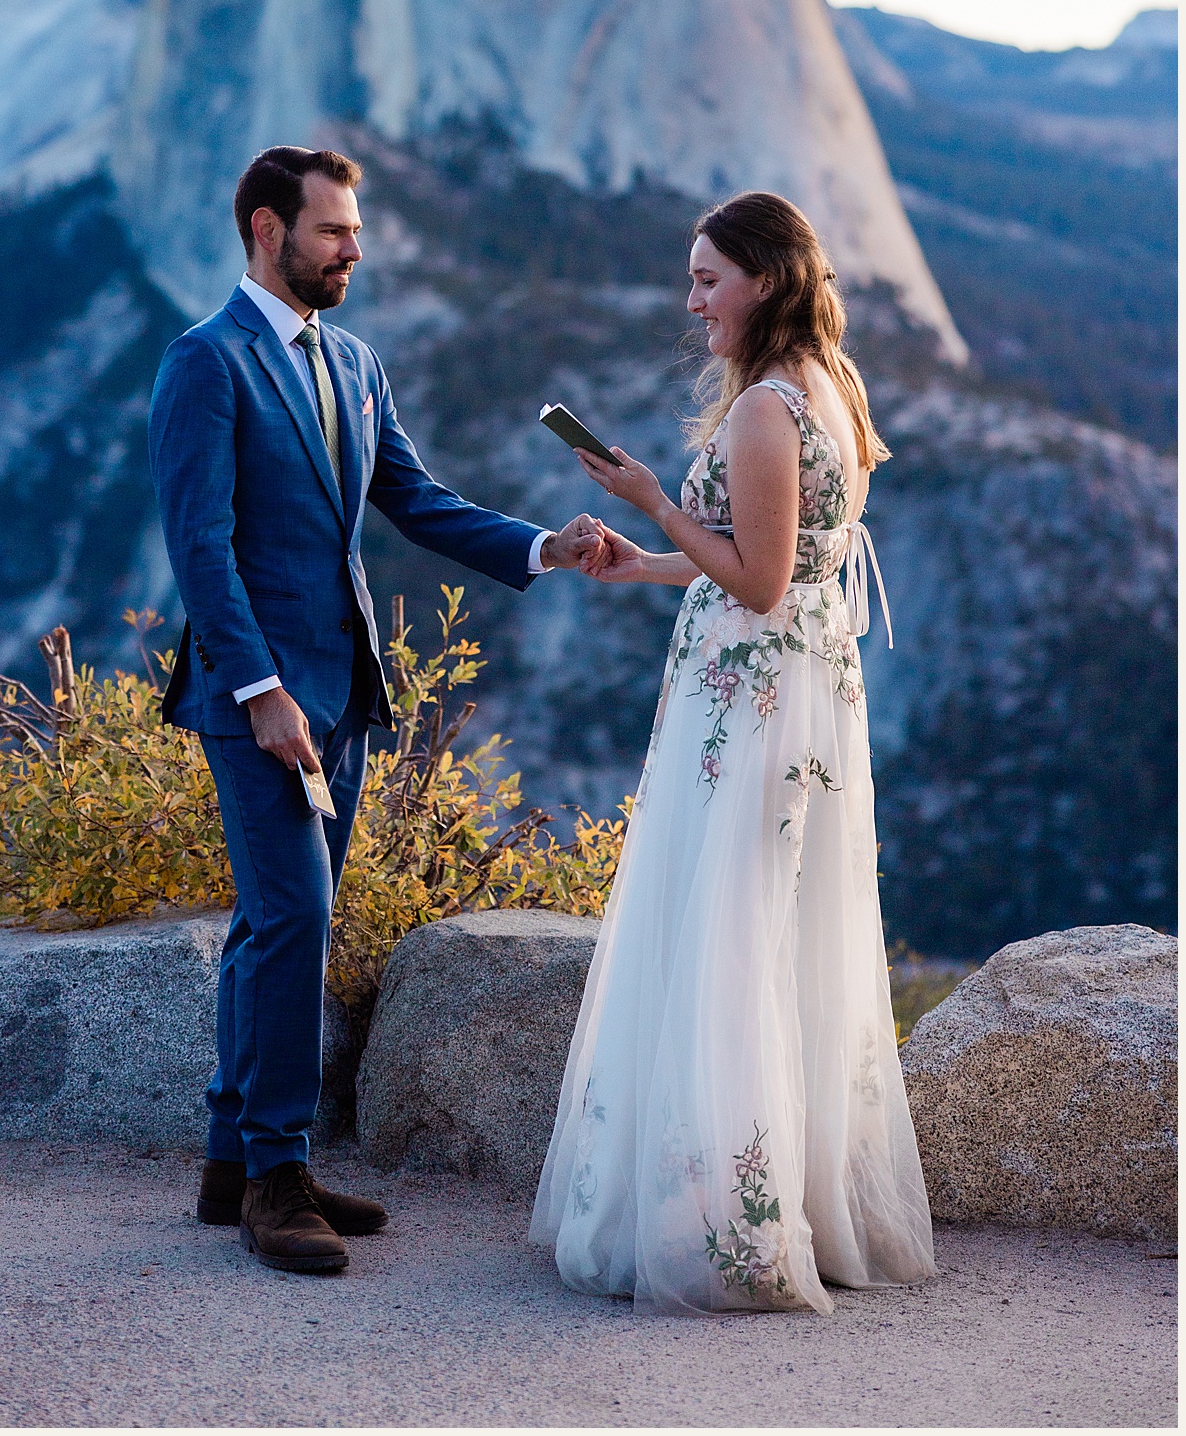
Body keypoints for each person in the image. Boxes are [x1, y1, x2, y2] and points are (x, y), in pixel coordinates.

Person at [148, 145, 608, 1275]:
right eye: (332, 231)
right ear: (267, 229)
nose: (354, 248)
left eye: (355, 230)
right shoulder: (205, 362)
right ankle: (276, 1178)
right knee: (294, 919)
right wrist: (259, 692)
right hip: (258, 697)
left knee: (273, 922)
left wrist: (544, 546)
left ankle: (226, 1160)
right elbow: (200, 547)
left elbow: (416, 500)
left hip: (347, 694)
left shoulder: (354, 362)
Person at [529, 191, 937, 1314]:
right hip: (796, 689)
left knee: (726, 925)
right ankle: (776, 1195)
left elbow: (755, 582)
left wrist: (652, 500)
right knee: (777, 925)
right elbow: (783, 560)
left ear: (763, 278)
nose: (692, 298)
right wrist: (643, 559)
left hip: (746, 704)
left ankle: (719, 1222)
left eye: (708, 277)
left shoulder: (763, 410)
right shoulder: (830, 388)